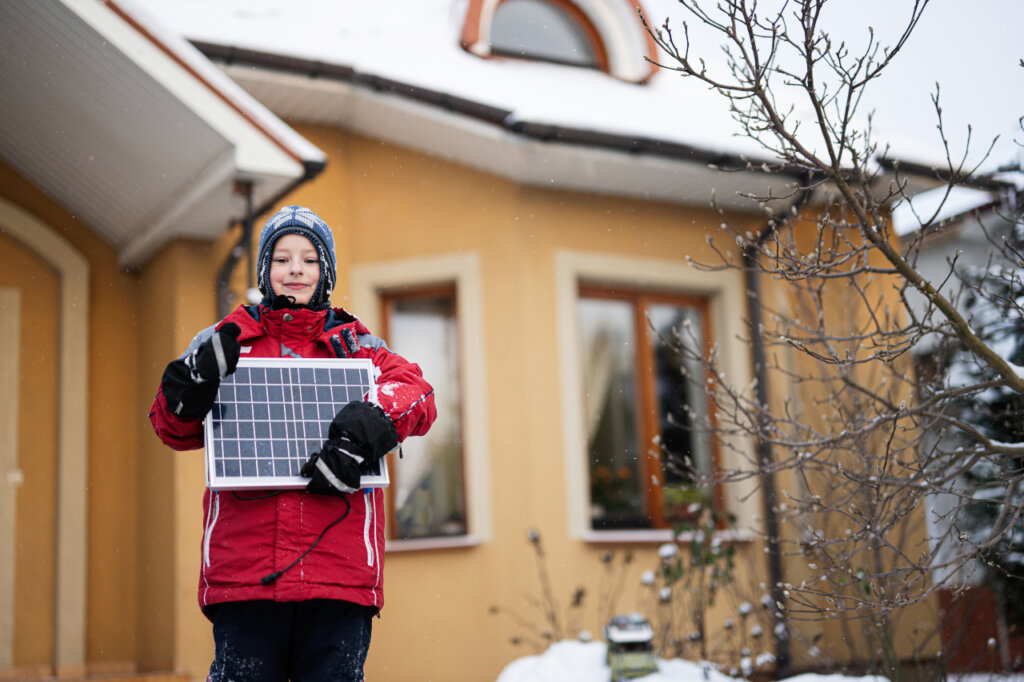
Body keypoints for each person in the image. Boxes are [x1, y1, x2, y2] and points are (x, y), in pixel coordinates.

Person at [149, 205, 436, 681]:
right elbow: (171, 427)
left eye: (309, 258)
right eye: (282, 259)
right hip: (245, 574)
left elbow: (417, 394)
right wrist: (192, 384)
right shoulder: (226, 341)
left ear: (326, 271)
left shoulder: (358, 345)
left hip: (339, 574)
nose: (296, 270)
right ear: (265, 271)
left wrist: (365, 428)